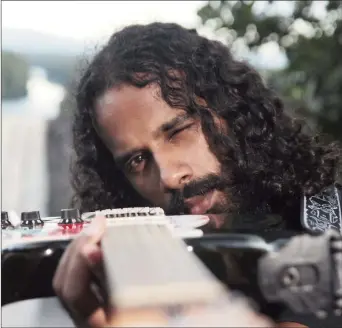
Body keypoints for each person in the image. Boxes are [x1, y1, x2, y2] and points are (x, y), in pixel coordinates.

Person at [53, 22, 341, 327]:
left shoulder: (327, 227)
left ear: (230, 110)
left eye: (178, 131)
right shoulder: (155, 264)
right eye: (137, 160)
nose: (167, 176)